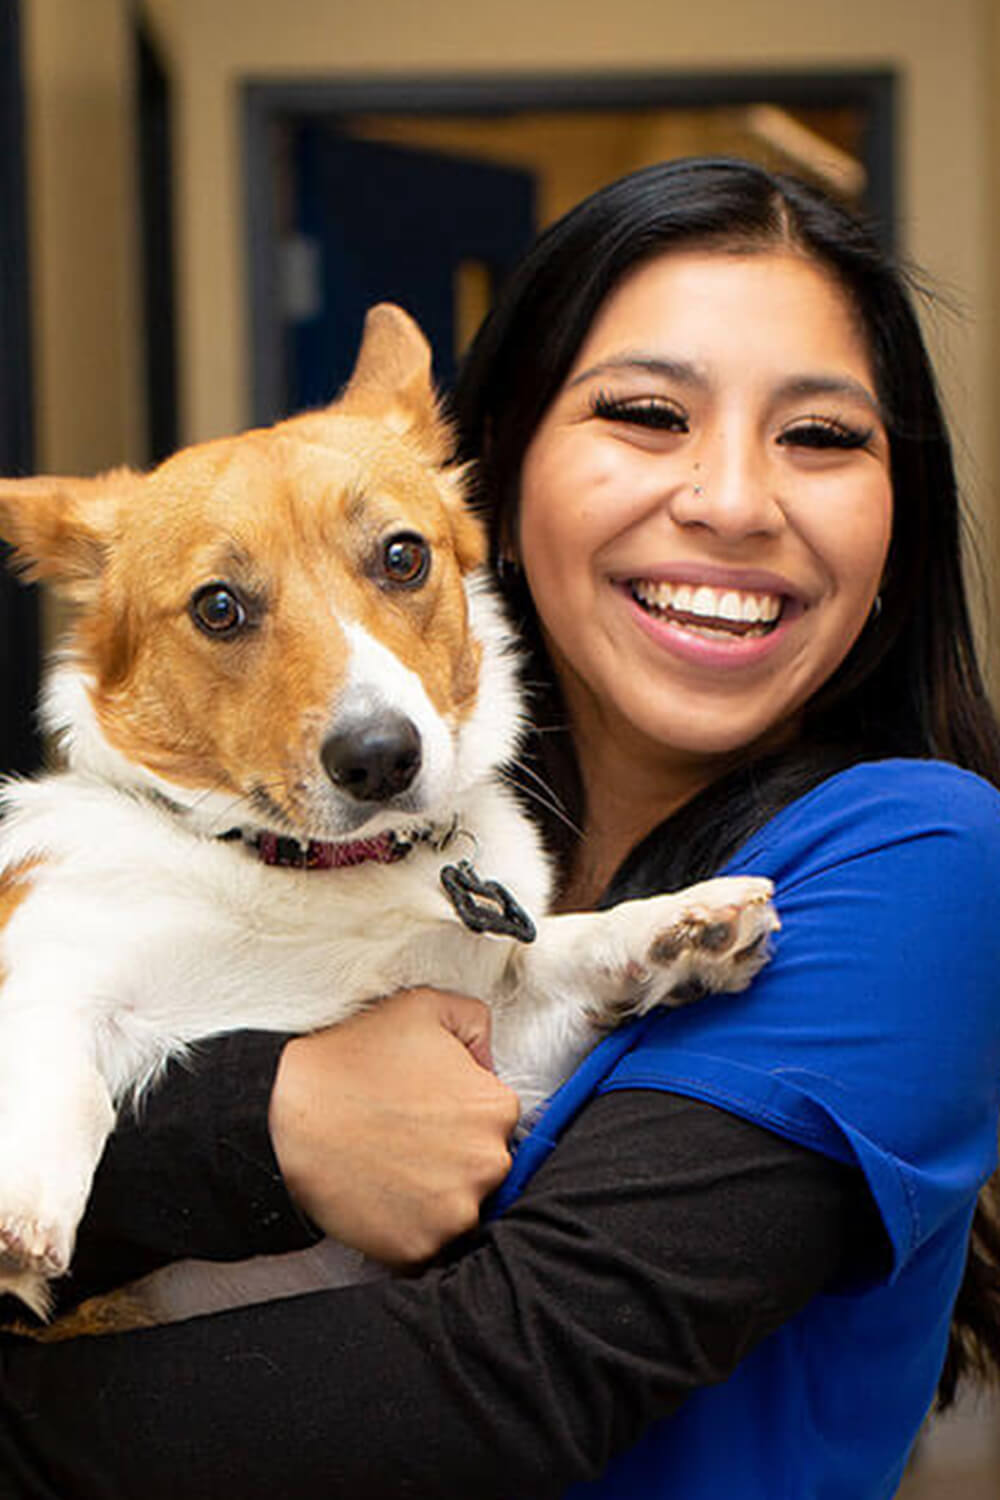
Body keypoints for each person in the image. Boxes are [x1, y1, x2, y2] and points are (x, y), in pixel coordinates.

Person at [1, 156, 1000, 1499]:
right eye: (649, 414)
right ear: (505, 473)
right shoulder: (445, 838)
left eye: (820, 435)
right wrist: (269, 1129)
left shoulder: (921, 860)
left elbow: (508, 1380)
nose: (732, 501)